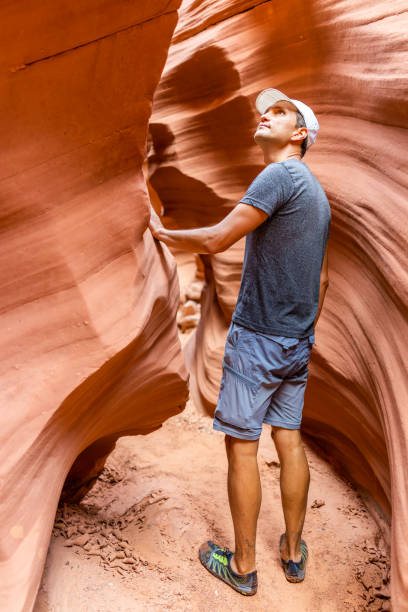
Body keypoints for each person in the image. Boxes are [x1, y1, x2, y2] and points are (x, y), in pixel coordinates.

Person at [148, 88, 331, 596]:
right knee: (289, 440)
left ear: (299, 134)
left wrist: (164, 235)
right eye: (264, 110)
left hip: (258, 339)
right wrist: (302, 330)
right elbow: (322, 281)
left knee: (242, 449)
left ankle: (243, 566)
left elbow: (216, 241)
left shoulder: (280, 176)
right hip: (296, 342)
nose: (265, 115)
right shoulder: (315, 193)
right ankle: (293, 554)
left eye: (279, 112)